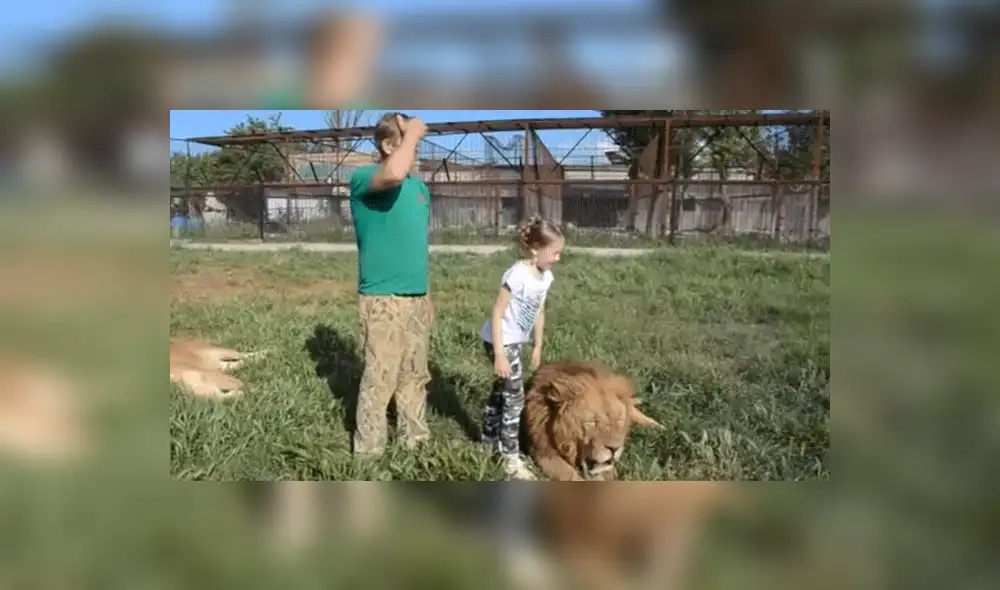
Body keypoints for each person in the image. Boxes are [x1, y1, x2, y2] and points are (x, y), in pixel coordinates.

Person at [349, 112, 433, 457]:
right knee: (380, 377)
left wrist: (428, 294)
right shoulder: (365, 177)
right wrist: (412, 132)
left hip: (416, 297)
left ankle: (414, 442)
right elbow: (395, 172)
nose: (415, 148)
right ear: (387, 145)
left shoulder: (419, 188)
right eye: (406, 141)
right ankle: (369, 452)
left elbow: (416, 244)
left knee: (415, 375)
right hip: (383, 298)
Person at [479, 216, 565, 480]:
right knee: (515, 400)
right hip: (500, 340)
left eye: (560, 253)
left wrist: (537, 345)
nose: (557, 258)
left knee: (501, 392)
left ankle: (487, 440)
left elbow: (539, 310)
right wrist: (500, 356)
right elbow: (497, 311)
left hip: (517, 341)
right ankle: (510, 459)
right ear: (535, 249)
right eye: (554, 253)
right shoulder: (518, 274)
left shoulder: (545, 277)